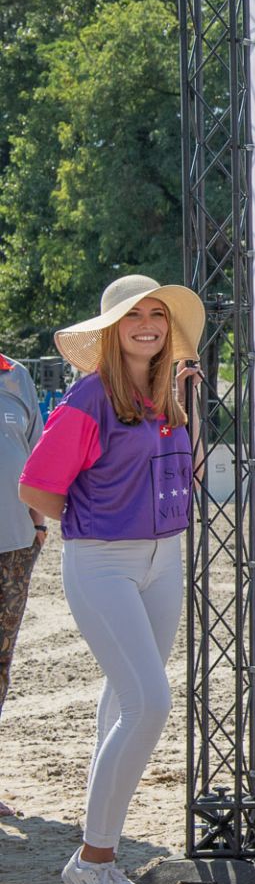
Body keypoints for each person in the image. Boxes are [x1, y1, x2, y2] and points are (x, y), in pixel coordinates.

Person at [18, 275, 206, 884]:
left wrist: (190, 404)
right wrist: (94, 521)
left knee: (122, 706)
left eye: (157, 314)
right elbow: (36, 486)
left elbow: (190, 473)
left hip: (163, 558)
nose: (148, 324)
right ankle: (92, 862)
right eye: (133, 315)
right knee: (150, 703)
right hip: (103, 562)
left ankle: (105, 860)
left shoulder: (168, 397)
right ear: (111, 330)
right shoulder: (90, 396)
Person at [1, 349, 49, 819]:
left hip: (14, 547)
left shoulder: (16, 376)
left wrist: (37, 525)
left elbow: (37, 457)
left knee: (0, 664)